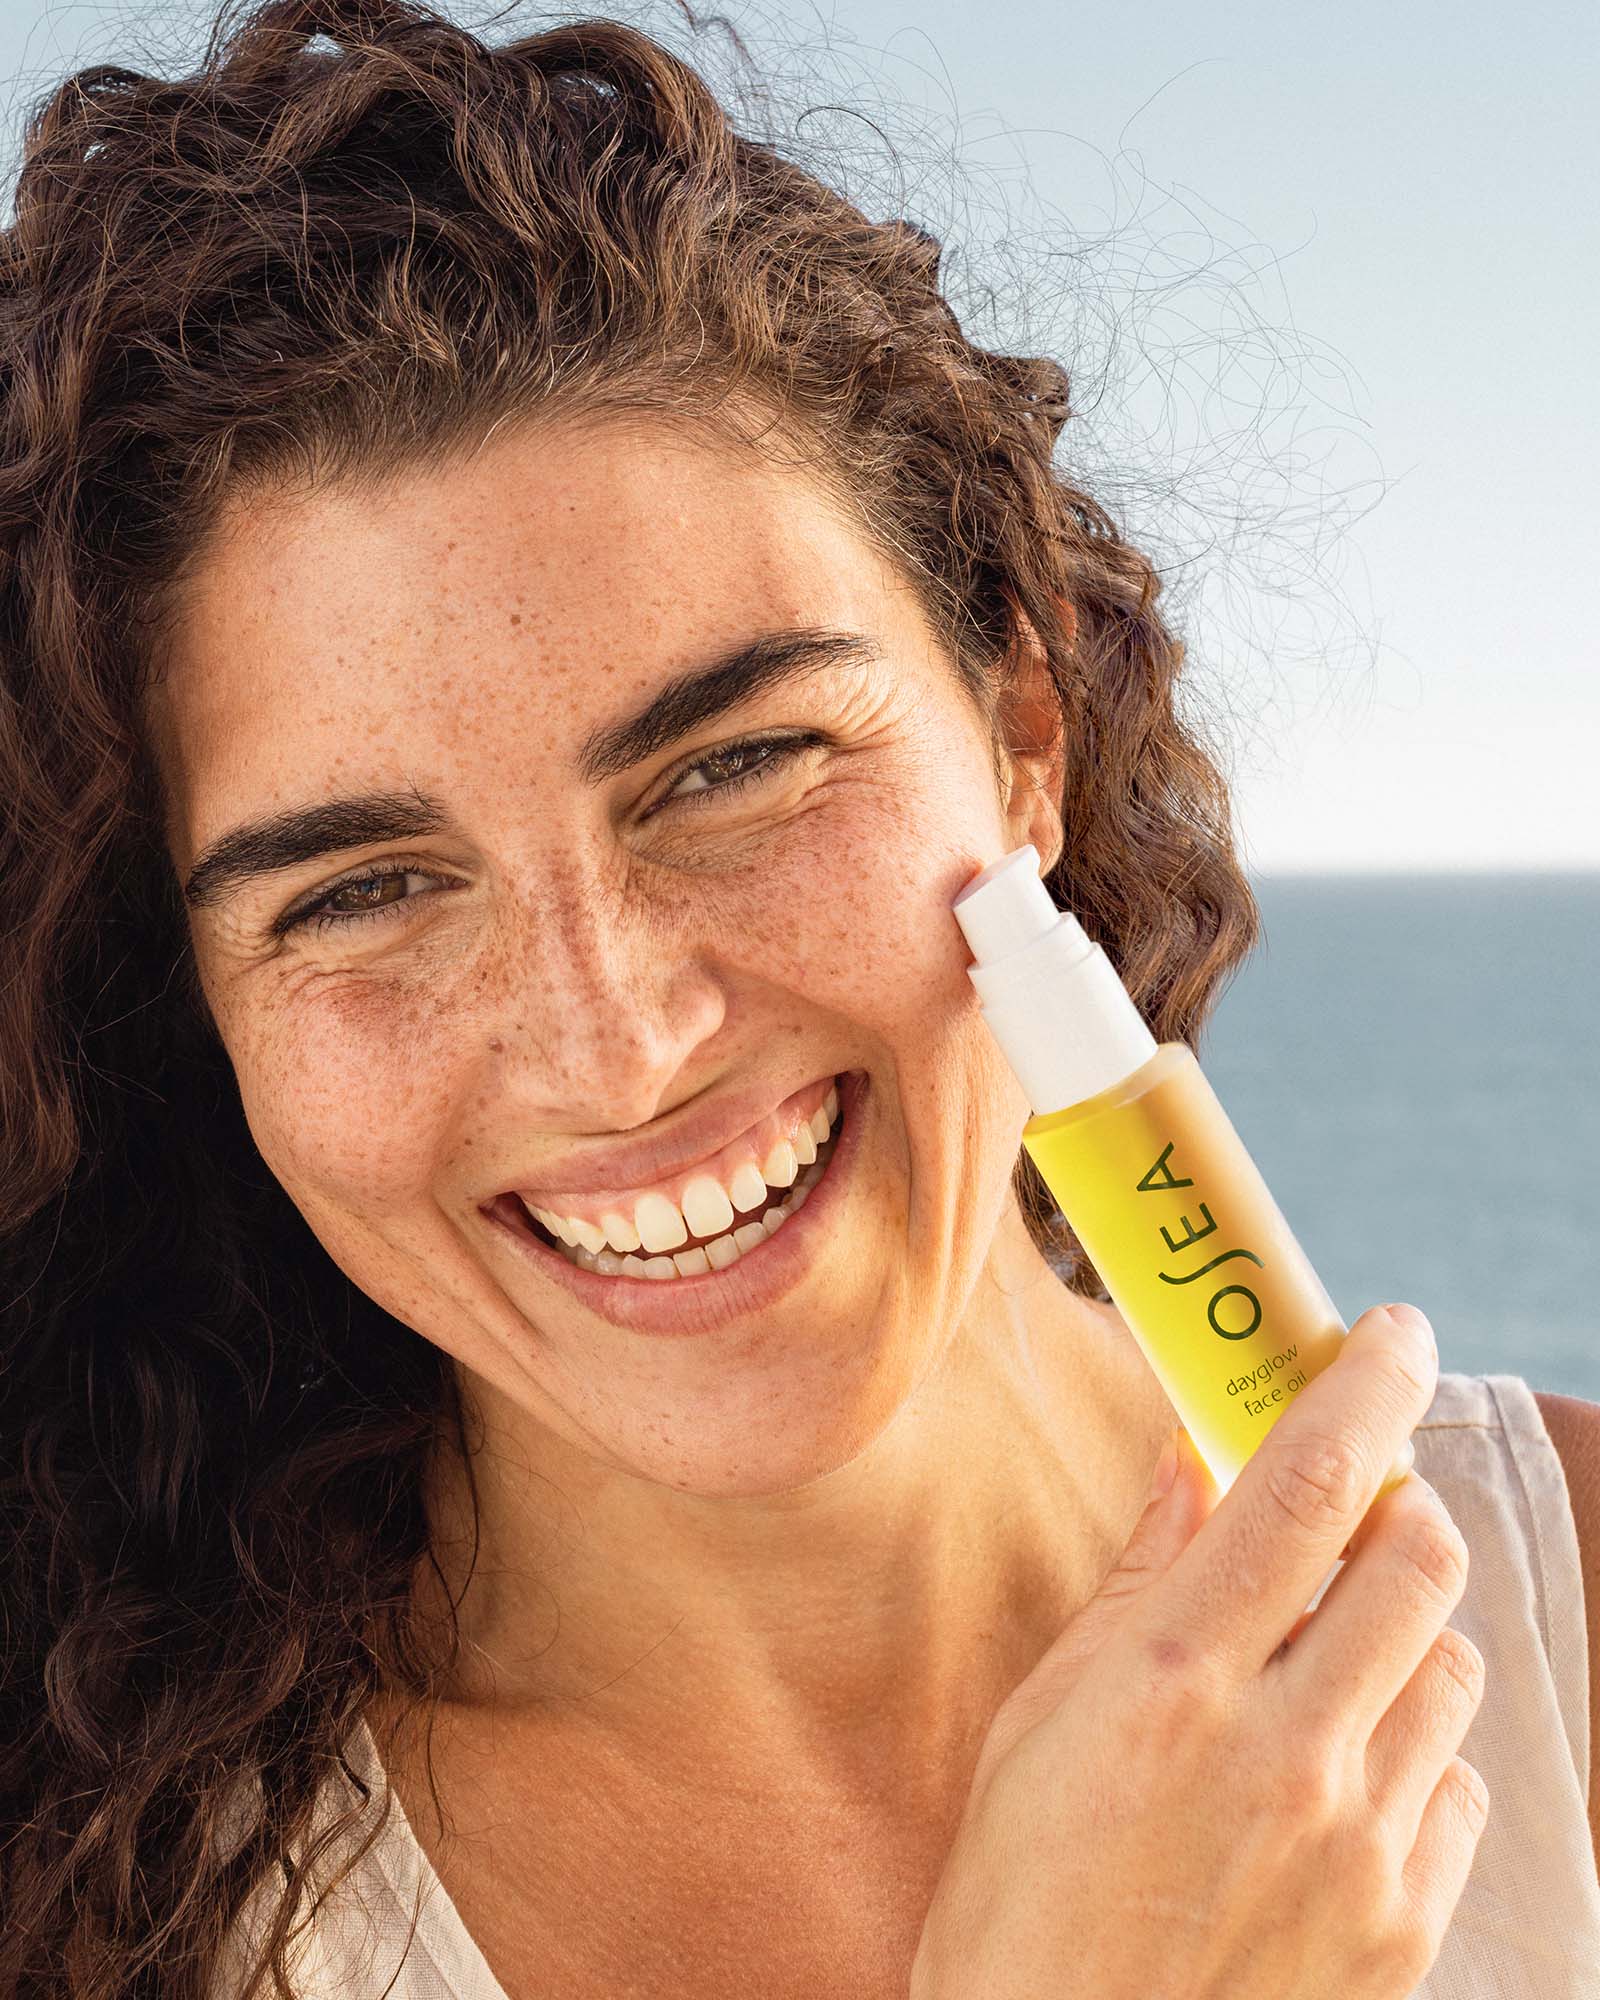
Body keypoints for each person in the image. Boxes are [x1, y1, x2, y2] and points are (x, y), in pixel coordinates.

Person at [2, 2, 1596, 1996]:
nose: (617, 1040)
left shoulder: (1575, 1633)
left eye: (734, 766)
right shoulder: (96, 1906)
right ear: (199, 1011)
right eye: (370, 888)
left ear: (1019, 729)